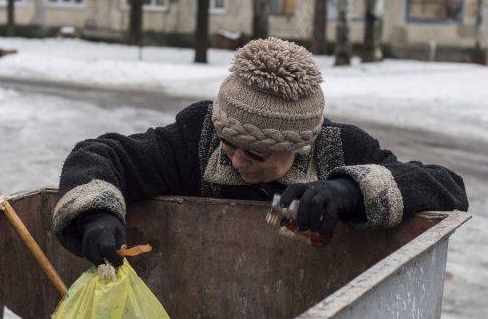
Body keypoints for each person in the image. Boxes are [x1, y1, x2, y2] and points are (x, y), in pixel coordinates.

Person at [51, 38, 469, 266]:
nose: (236, 161)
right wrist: (98, 215)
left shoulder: (341, 148)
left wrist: (349, 191)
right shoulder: (196, 138)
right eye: (229, 147)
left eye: (256, 155)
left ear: (298, 145)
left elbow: (447, 188)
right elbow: (101, 154)